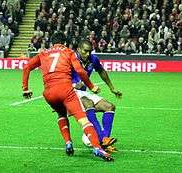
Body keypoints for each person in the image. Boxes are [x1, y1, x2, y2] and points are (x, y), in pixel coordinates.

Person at [22, 32, 114, 161]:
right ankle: (97, 148)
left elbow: (26, 67)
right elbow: (80, 71)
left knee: (61, 114)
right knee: (84, 121)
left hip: (48, 93)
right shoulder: (68, 52)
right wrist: (92, 86)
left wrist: (25, 89)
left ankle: (68, 143)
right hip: (66, 89)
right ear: (64, 42)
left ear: (52, 43)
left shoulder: (43, 53)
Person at [72, 39, 122, 152]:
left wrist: (112, 88)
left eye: (90, 51)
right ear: (78, 49)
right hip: (69, 92)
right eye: (85, 51)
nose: (88, 54)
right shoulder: (70, 59)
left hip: (83, 92)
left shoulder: (93, 59)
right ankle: (100, 139)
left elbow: (101, 71)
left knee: (110, 106)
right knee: (88, 103)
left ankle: (104, 140)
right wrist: (73, 84)